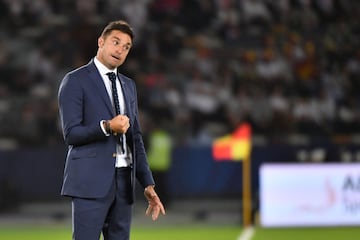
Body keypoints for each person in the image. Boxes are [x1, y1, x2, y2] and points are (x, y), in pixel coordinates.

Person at [57, 20, 165, 240]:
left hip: (124, 183)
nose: (120, 50)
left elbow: (135, 137)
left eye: (126, 47)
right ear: (101, 42)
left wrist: (147, 183)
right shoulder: (75, 81)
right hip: (90, 182)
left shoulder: (128, 85)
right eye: (116, 42)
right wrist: (107, 127)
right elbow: (71, 135)